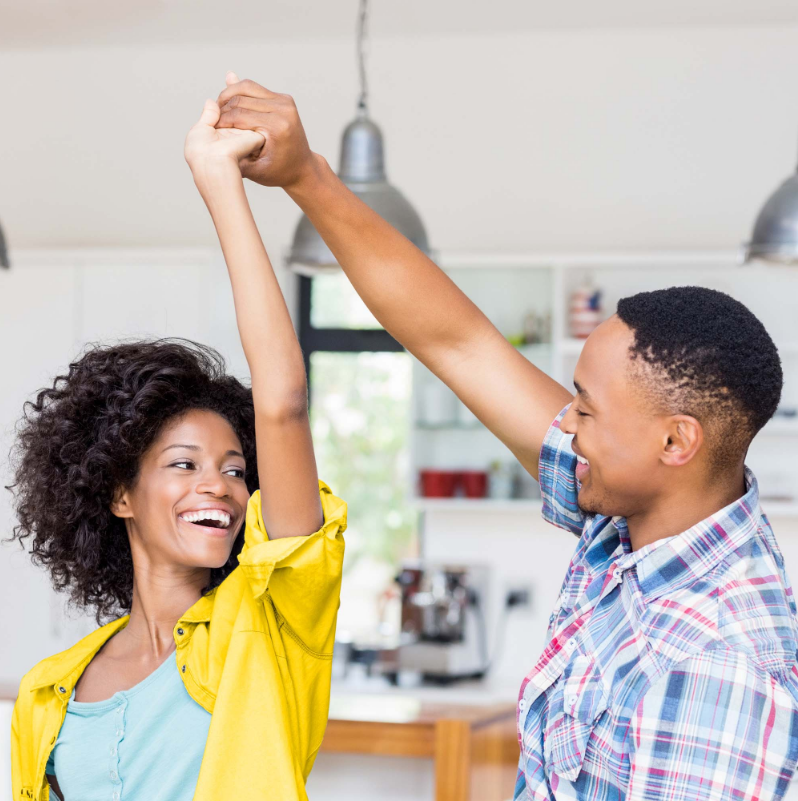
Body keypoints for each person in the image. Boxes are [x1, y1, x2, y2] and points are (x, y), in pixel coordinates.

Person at [215, 76, 798, 800]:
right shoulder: (633, 523)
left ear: (676, 442)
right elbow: (460, 344)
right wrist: (307, 175)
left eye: (585, 409)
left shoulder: (716, 658)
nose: (566, 425)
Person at [9, 80, 346, 801]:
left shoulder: (271, 623)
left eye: (233, 468)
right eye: (184, 464)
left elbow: (281, 400)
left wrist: (220, 184)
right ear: (121, 493)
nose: (220, 485)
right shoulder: (48, 692)